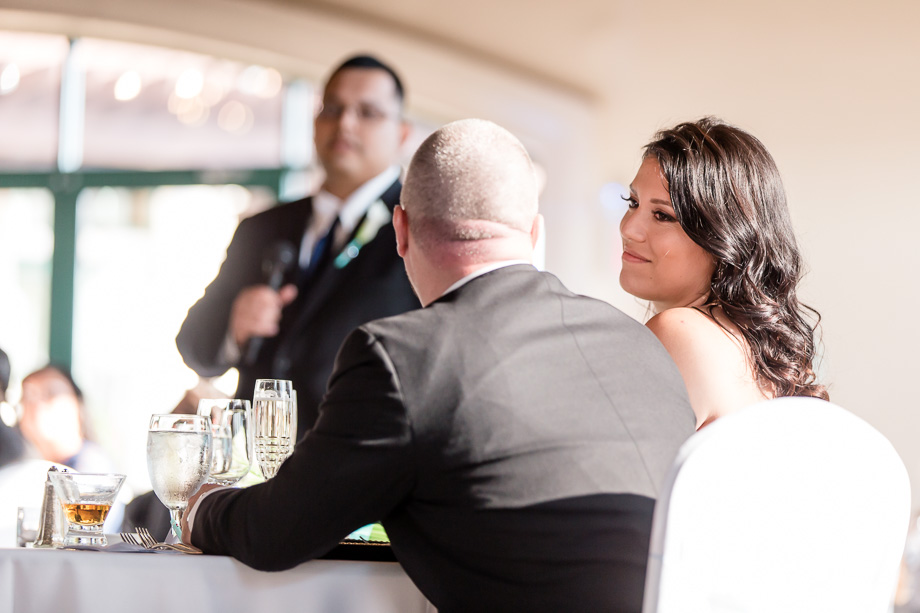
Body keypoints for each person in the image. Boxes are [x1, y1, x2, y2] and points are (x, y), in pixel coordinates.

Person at [185, 119, 695, 613]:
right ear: (534, 233)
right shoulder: (637, 341)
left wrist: (200, 506)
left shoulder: (400, 358)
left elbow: (276, 533)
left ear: (401, 230)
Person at [176, 55, 419, 437]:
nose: (345, 123)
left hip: (362, 472)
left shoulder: (420, 231)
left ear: (403, 133)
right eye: (333, 109)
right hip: (258, 473)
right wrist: (234, 328)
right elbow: (194, 347)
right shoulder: (262, 228)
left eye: (368, 112)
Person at [619, 117, 828, 429]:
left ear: (723, 237)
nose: (628, 229)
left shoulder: (680, 332)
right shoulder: (750, 350)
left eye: (662, 215)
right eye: (632, 202)